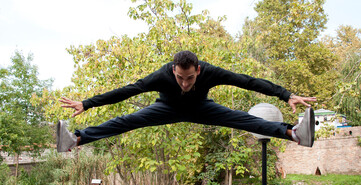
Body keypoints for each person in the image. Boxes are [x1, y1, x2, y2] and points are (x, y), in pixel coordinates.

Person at [57, 50, 316, 152]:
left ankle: (295, 133)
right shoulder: (161, 75)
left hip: (202, 108)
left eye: (190, 78)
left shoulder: (211, 71)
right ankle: (75, 140)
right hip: (165, 109)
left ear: (199, 71)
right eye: (180, 78)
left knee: (244, 119)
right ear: (173, 71)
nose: (185, 83)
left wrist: (286, 94)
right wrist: (87, 103)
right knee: (127, 121)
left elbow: (247, 81)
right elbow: (128, 91)